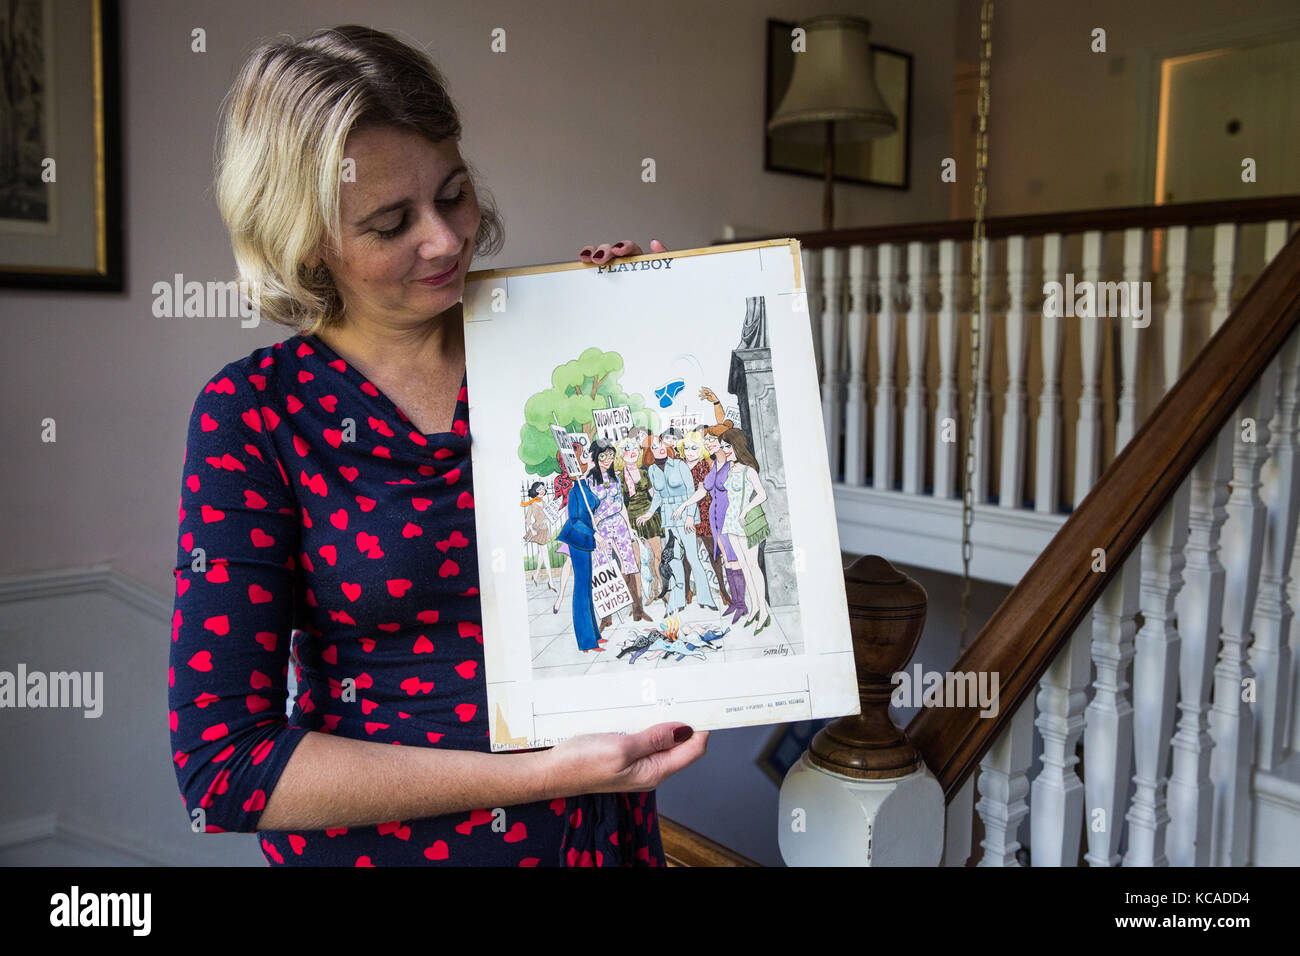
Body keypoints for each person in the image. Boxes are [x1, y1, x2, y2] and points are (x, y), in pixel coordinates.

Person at [169, 24, 706, 868]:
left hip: (600, 847)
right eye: (392, 222)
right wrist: (542, 774)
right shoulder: (255, 414)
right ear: (306, 240)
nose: (446, 239)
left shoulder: (553, 356)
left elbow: (640, 547)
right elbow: (224, 770)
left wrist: (664, 334)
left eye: (453, 194)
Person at [522, 480, 556, 591]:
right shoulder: (532, 503)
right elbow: (527, 519)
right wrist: (532, 530)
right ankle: (550, 580)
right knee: (545, 552)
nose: (541, 491)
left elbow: (547, 515)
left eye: (543, 489)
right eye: (539, 489)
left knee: (543, 553)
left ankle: (535, 575)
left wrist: (548, 519)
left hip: (544, 529)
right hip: (536, 530)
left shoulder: (544, 502)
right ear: (534, 491)